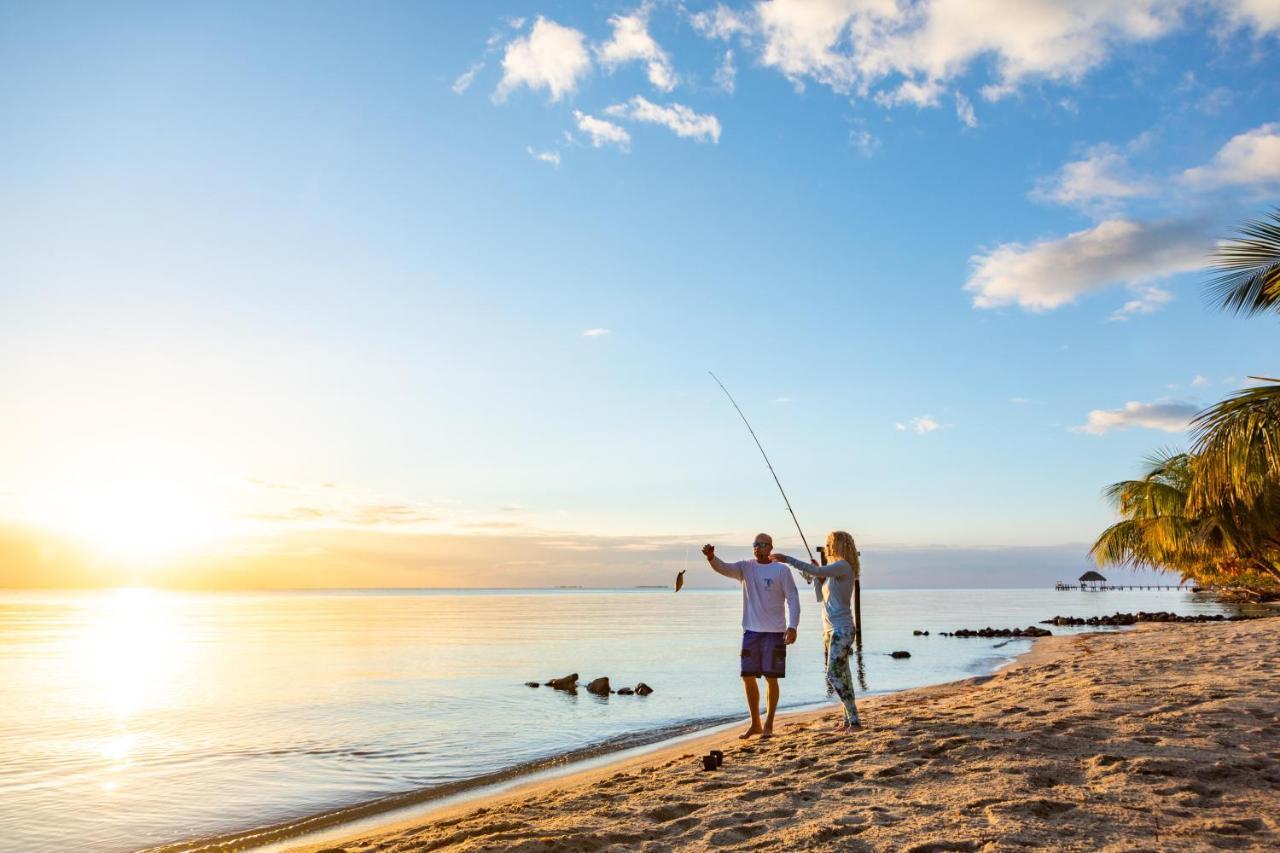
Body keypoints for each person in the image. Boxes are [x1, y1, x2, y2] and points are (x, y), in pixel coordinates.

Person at [702, 533, 800, 739]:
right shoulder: (745, 568)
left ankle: (769, 724)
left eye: (762, 544)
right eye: (755, 544)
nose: (758, 547)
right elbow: (724, 568)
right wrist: (711, 557)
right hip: (751, 631)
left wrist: (793, 626)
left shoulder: (781, 570)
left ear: (770, 547)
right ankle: (755, 723)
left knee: (771, 679)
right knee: (747, 676)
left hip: (775, 632)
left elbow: (792, 598)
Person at [772, 531, 862, 731]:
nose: (828, 547)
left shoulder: (843, 566)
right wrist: (815, 574)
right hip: (830, 629)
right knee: (844, 675)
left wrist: (788, 560)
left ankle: (853, 720)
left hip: (842, 629)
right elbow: (820, 596)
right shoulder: (833, 572)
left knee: (833, 675)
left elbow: (821, 573)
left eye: (830, 544)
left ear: (839, 546)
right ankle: (851, 720)